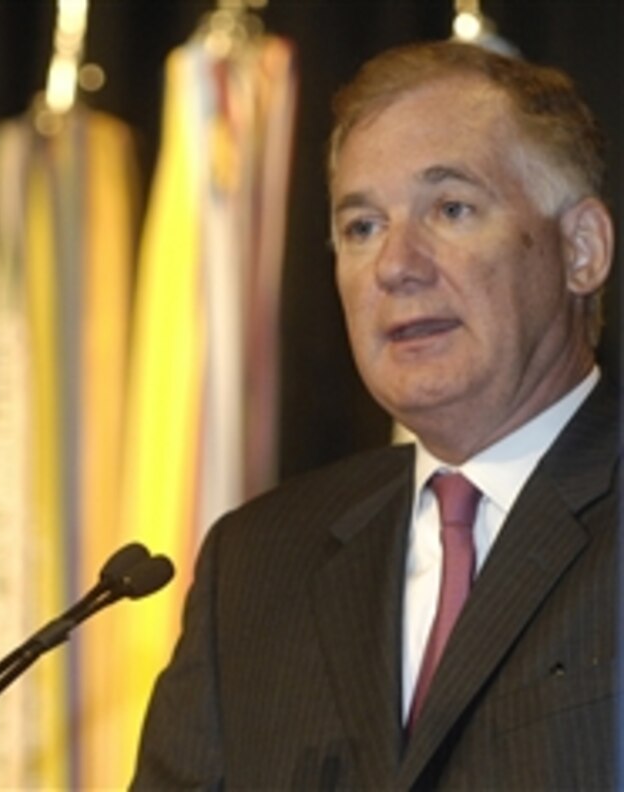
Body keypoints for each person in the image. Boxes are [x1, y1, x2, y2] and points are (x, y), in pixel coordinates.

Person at [131, 39, 618, 789]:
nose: (395, 264)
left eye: (451, 209)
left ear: (581, 249)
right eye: (361, 227)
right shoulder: (256, 566)